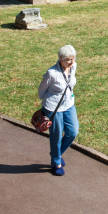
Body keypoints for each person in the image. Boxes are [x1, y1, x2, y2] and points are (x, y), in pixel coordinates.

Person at [38, 45, 79, 176]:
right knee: (56, 136)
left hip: (68, 104)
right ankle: (56, 162)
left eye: (73, 58)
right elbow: (41, 91)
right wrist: (50, 101)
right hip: (53, 108)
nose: (71, 62)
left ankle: (57, 152)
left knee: (73, 131)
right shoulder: (52, 73)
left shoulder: (73, 66)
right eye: (68, 59)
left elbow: (70, 83)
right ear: (60, 59)